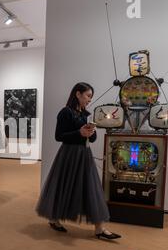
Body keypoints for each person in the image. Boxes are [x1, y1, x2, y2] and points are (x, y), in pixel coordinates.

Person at [36, 83, 121, 240]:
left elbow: (93, 139)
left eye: (91, 97)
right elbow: (59, 136)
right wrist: (79, 132)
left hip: (84, 155)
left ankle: (99, 228)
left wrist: (90, 132)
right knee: (63, 187)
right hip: (68, 155)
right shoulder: (65, 112)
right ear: (78, 94)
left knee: (91, 188)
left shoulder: (87, 114)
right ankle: (54, 219)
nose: (89, 100)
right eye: (88, 96)